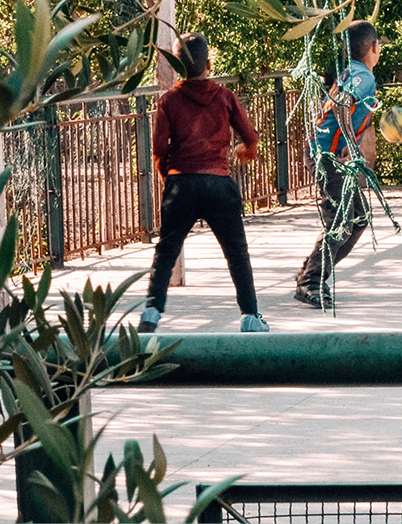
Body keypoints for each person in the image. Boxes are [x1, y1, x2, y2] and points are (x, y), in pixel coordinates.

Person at [139, 32, 269, 333]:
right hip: (218, 183)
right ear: (208, 65)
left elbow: (159, 149)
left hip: (181, 185)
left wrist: (170, 179)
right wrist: (245, 152)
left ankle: (151, 314)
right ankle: (250, 316)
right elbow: (250, 137)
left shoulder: (169, 100)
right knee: (236, 253)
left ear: (176, 67)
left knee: (167, 251)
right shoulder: (225, 97)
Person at [294, 21, 382, 309]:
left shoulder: (351, 72)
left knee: (359, 217)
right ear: (374, 48)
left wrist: (347, 140)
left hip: (327, 154)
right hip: (325, 157)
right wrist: (352, 144)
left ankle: (311, 271)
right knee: (342, 220)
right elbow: (342, 104)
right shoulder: (362, 76)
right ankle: (310, 281)